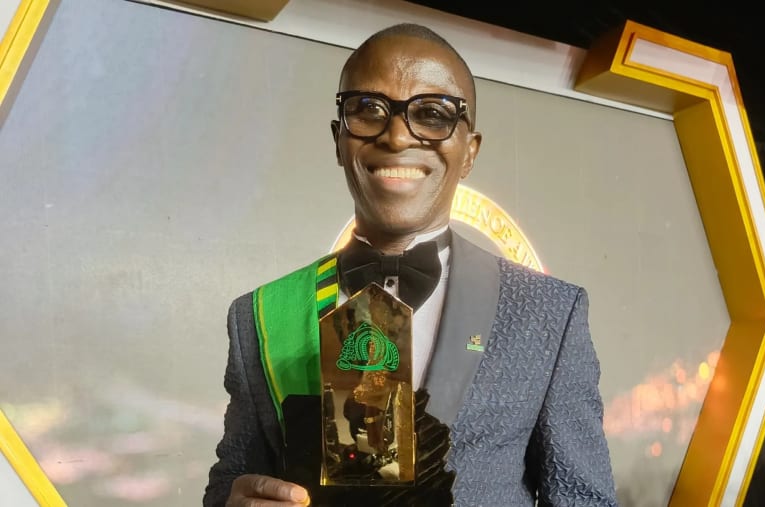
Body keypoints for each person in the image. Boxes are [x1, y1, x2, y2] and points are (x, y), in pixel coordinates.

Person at [204, 22, 618, 507]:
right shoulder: (258, 317)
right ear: (340, 139)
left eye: (432, 114)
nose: (398, 136)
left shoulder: (551, 312)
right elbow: (230, 481)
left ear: (469, 152)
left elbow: (584, 499)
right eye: (368, 109)